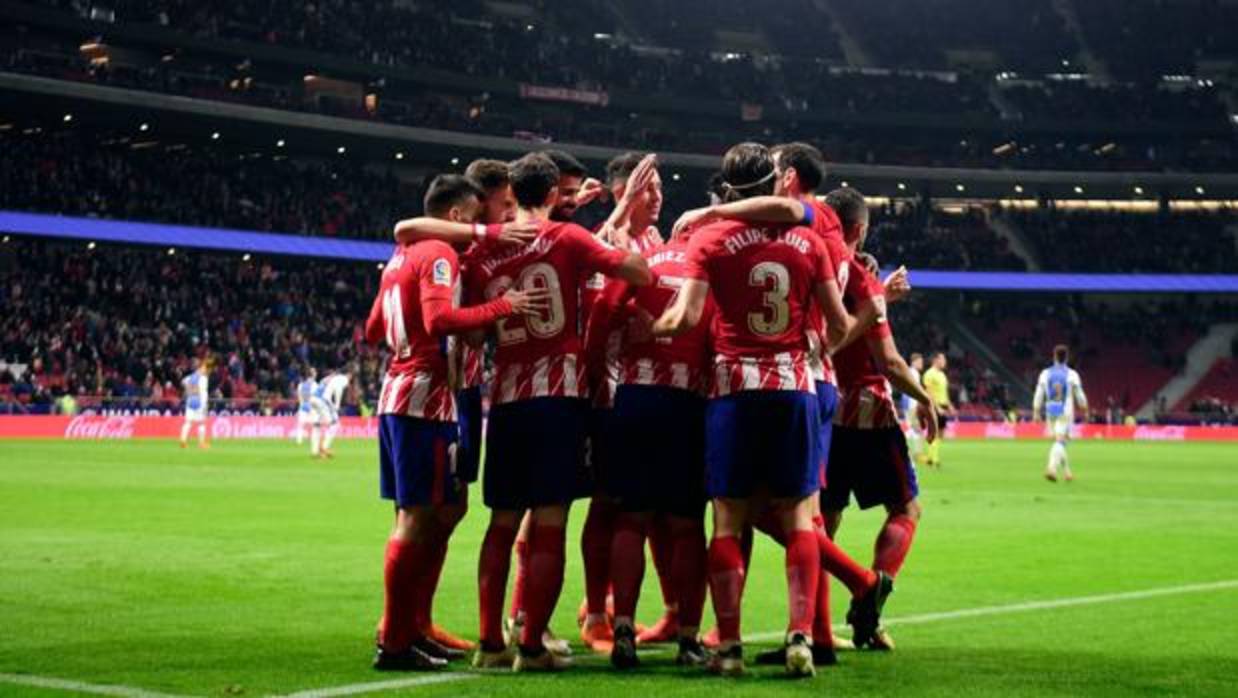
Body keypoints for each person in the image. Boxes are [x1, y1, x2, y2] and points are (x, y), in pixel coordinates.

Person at [670, 142, 908, 661]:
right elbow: (864, 306)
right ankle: (814, 631)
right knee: (794, 513)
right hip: (801, 380)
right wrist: (836, 335)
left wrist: (708, 211)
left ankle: (744, 635)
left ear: (791, 177)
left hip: (759, 382)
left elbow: (688, 314)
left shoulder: (789, 220)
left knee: (744, 513)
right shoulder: (816, 238)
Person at [467, 152, 651, 672]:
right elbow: (633, 269)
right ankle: (530, 647)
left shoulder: (488, 251)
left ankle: (489, 642)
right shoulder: (568, 239)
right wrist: (619, 243)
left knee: (502, 523)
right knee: (550, 522)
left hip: (504, 399)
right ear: (551, 194)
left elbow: (478, 330)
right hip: (558, 396)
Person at [363, 174, 546, 671]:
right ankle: (396, 639)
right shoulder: (440, 254)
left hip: (398, 390)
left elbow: (374, 327)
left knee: (428, 513)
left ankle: (407, 629)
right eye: (497, 207)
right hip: (426, 398)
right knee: (418, 519)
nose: (503, 218)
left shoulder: (401, 255)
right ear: (462, 215)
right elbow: (441, 320)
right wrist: (501, 307)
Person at [583, 152, 714, 669]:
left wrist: (600, 378)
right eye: (647, 189)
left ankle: (622, 630)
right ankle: (686, 635)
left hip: (632, 398)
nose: (658, 198)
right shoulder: (699, 263)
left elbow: (601, 319)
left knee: (629, 517)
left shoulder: (642, 259)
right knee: (684, 524)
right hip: (686, 403)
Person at [820, 186, 940, 651]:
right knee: (906, 508)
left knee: (820, 523)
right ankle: (871, 599)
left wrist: (882, 297)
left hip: (823, 406)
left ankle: (817, 627)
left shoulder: (812, 265)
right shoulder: (862, 280)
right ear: (860, 229)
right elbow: (888, 362)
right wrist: (925, 399)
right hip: (868, 410)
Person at [1033, 344, 1088, 482]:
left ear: (1054, 356)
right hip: (1065, 411)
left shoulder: (1045, 373)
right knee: (1060, 442)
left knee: (1060, 441)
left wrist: (1036, 410)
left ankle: (1067, 472)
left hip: (1050, 410)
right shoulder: (1072, 374)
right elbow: (1080, 395)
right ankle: (1051, 468)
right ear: (1067, 358)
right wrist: (1084, 408)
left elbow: (1039, 393)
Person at [921, 352, 955, 468]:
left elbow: (944, 393)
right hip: (933, 406)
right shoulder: (929, 374)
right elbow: (928, 392)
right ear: (935, 360)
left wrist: (949, 405)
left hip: (943, 406)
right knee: (934, 432)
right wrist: (936, 407)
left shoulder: (942, 375)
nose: (944, 362)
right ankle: (933, 459)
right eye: (943, 359)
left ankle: (931, 457)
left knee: (940, 434)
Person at [179, 360, 210, 449]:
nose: (205, 370)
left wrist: (188, 390)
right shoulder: (204, 378)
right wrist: (204, 405)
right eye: (204, 368)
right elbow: (203, 392)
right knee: (201, 423)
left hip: (190, 401)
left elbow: (182, 382)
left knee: (188, 422)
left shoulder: (190, 377)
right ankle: (201, 443)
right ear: (200, 368)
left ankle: (183, 441)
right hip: (200, 403)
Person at [319, 370, 351, 453]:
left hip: (324, 400)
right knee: (335, 424)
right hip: (327, 400)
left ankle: (324, 447)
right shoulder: (344, 379)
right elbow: (338, 389)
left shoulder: (336, 378)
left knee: (331, 424)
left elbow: (323, 382)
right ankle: (324, 447)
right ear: (349, 375)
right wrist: (337, 404)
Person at [904, 353, 926, 464]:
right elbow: (913, 391)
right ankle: (916, 455)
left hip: (909, 405)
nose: (922, 364)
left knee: (912, 430)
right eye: (920, 362)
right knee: (917, 431)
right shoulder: (914, 373)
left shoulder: (910, 372)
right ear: (914, 361)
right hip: (912, 406)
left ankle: (912, 454)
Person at [294, 368, 319, 446]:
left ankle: (299, 441)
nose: (316, 373)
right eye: (315, 372)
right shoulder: (315, 384)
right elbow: (315, 397)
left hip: (303, 407)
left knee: (300, 425)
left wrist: (302, 405)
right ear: (312, 374)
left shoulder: (300, 385)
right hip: (312, 407)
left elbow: (299, 397)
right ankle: (313, 440)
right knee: (315, 425)